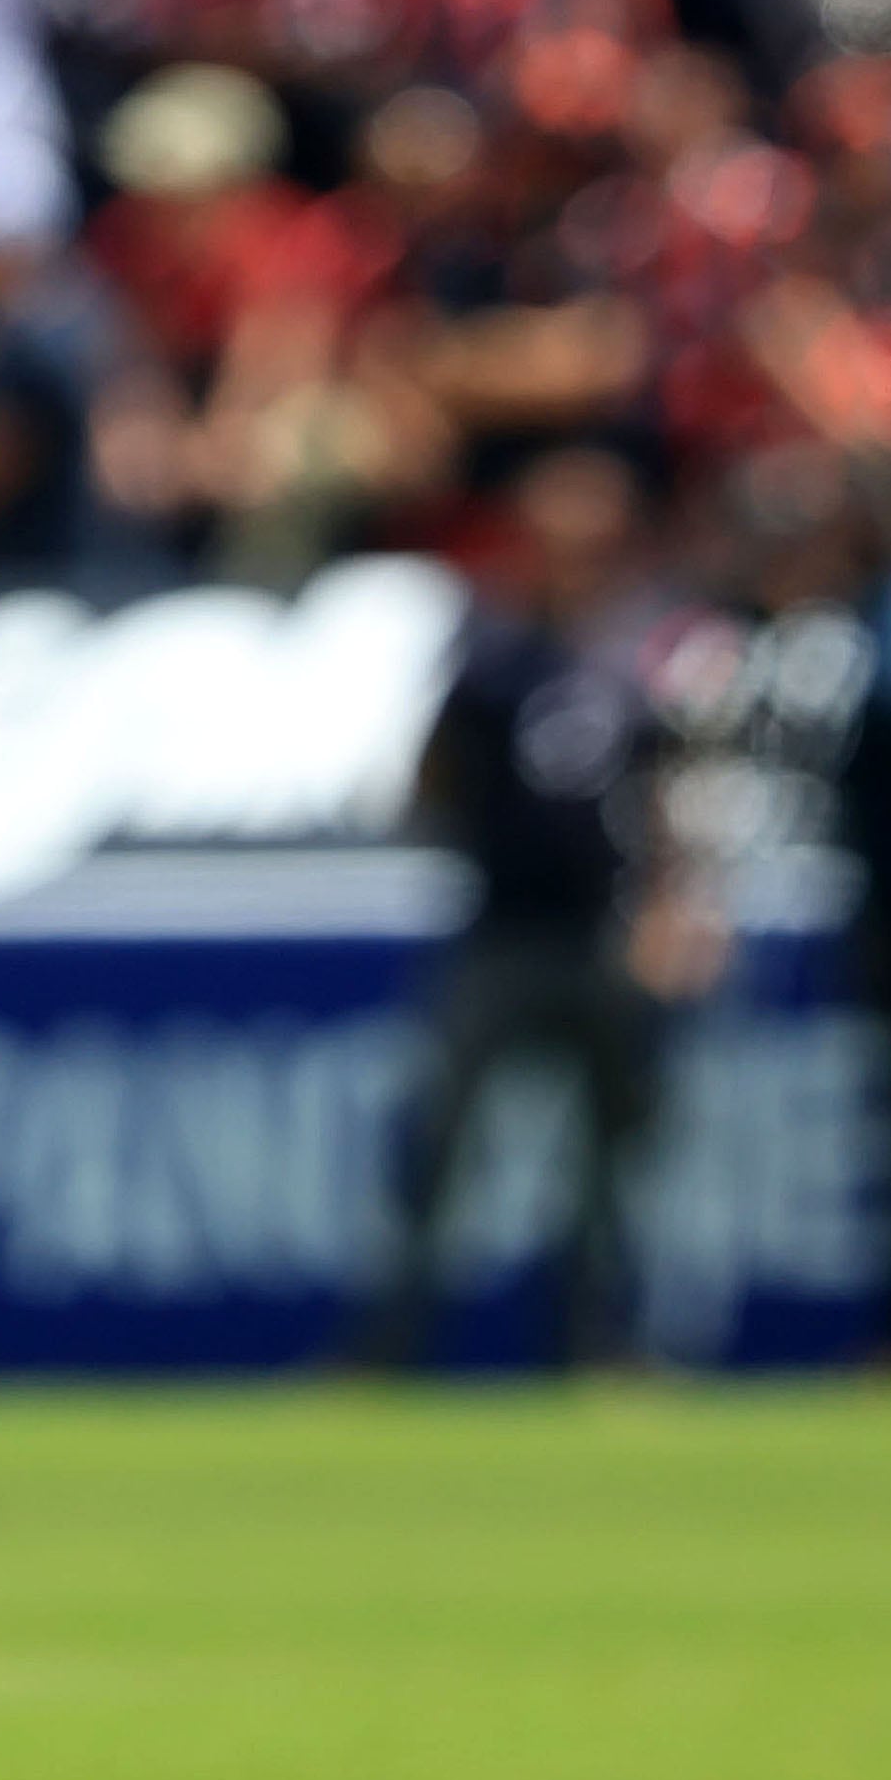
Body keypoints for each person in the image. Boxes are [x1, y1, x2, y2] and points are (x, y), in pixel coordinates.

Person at [355, 445, 721, 1373]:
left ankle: (598, 1348)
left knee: (612, 1156)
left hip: (605, 929)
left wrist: (678, 906)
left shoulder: (648, 658)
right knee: (442, 1145)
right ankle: (388, 1348)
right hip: (506, 929)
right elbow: (431, 776)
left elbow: (673, 795)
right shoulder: (494, 654)